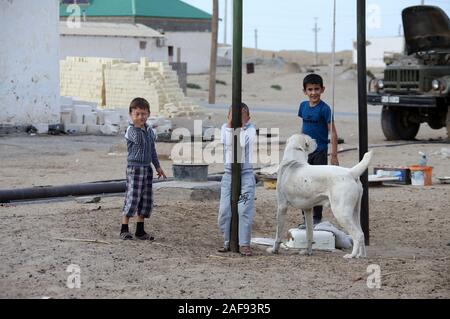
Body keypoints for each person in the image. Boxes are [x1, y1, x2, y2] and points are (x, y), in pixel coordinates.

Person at [120, 97, 166, 240]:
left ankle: (140, 230)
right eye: (137, 114)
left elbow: (152, 150)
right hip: (135, 169)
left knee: (145, 199)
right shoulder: (131, 130)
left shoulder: (150, 131)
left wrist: (157, 166)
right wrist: (138, 126)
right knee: (133, 197)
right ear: (131, 114)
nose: (141, 117)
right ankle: (124, 228)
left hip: (146, 169)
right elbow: (139, 141)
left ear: (148, 114)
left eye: (144, 114)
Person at [297, 73, 339, 228]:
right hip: (304, 153)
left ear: (322, 89)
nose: (313, 92)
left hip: (320, 152)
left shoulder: (325, 109)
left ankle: (317, 218)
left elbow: (333, 132)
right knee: (303, 185)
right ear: (305, 91)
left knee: (317, 186)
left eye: (316, 89)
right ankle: (305, 218)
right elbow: (303, 127)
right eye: (310, 89)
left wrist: (333, 155)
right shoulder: (302, 106)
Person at [218, 103, 257, 256]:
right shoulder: (224, 128)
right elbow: (227, 142)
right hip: (228, 175)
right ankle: (227, 241)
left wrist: (239, 127)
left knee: (243, 210)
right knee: (225, 211)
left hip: (246, 175)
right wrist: (230, 125)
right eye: (233, 115)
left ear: (248, 118)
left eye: (241, 115)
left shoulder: (251, 130)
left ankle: (244, 243)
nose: (237, 118)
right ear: (228, 117)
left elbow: (239, 144)